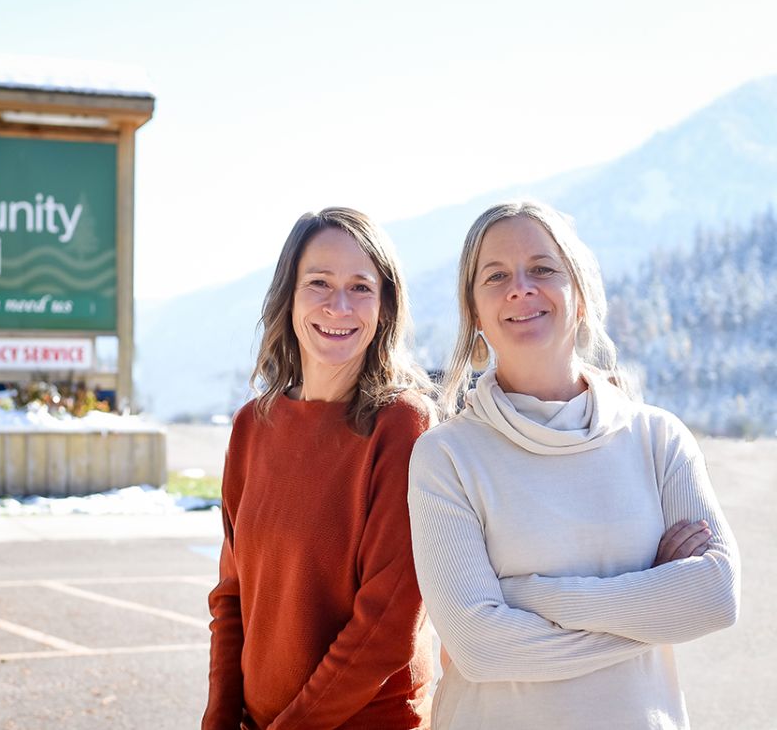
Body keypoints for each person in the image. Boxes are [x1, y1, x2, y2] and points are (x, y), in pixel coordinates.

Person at [408, 200, 740, 730]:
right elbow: (481, 650)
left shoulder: (658, 438)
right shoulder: (446, 457)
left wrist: (531, 596)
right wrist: (653, 604)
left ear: (580, 294)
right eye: (496, 276)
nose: (520, 288)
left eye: (543, 269)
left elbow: (716, 597)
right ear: (473, 311)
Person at [203, 207, 436, 729]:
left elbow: (386, 627)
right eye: (319, 283)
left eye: (360, 287)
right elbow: (232, 597)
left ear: (385, 307)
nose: (339, 305)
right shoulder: (251, 427)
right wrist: (218, 719)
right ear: (289, 296)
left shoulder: (403, 425)